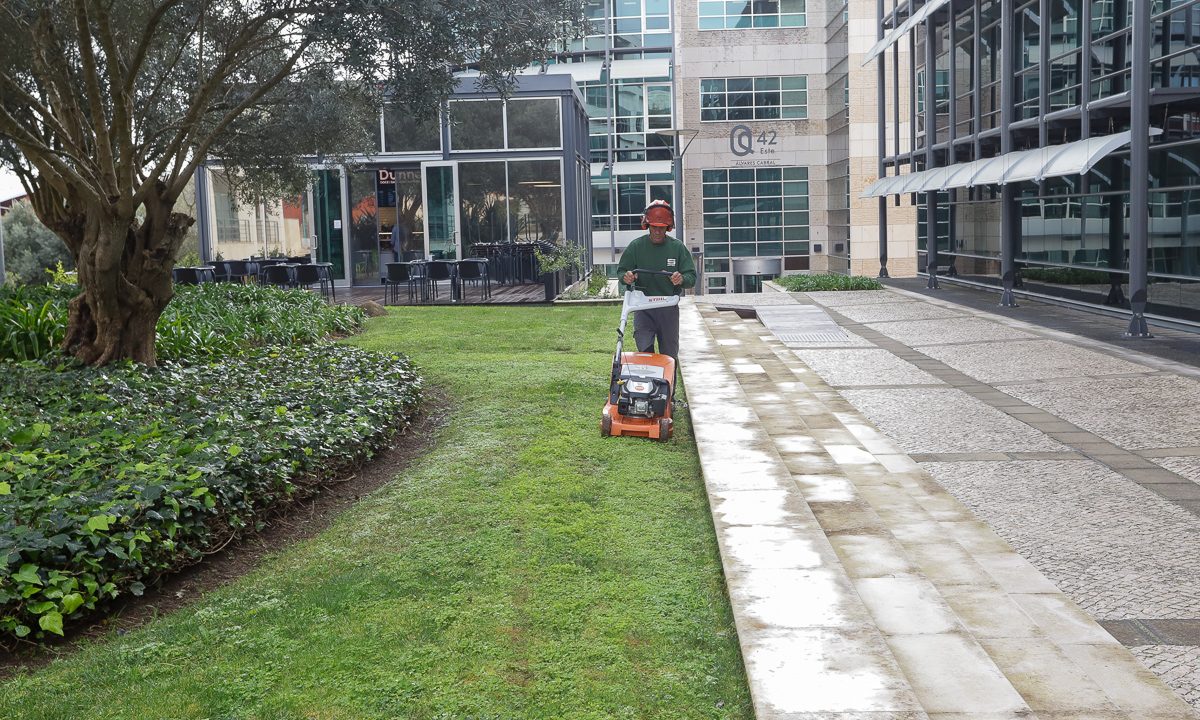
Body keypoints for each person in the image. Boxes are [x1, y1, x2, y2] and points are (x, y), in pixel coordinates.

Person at [618, 200, 696, 361]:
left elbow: (691, 277)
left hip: (668, 307)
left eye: (662, 228)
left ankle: (669, 377)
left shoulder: (677, 248)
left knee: (669, 354)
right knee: (645, 350)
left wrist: (681, 279)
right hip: (643, 307)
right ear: (647, 225)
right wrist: (627, 277)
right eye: (654, 227)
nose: (658, 232)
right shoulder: (636, 247)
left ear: (668, 227)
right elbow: (622, 272)